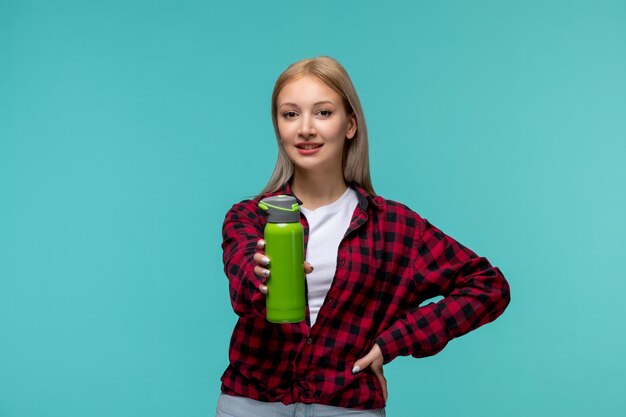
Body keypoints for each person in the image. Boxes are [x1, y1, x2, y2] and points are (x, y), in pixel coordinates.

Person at [216, 56, 510, 417]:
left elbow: (488, 286)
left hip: (346, 405)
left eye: (323, 113)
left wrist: (393, 342)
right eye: (290, 114)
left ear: (350, 124)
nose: (305, 129)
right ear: (278, 127)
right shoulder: (249, 217)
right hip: (252, 405)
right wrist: (260, 276)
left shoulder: (394, 227)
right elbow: (243, 288)